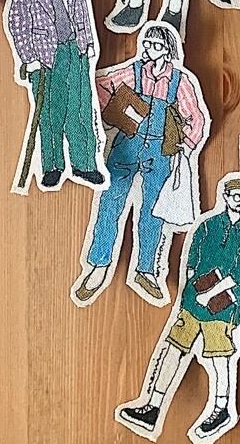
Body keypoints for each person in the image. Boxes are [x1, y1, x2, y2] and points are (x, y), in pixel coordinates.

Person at [117, 175, 240, 444]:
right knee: (173, 349)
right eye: (237, 197)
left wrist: (210, 294)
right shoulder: (207, 225)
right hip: (191, 303)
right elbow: (191, 261)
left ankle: (221, 408)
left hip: (223, 309)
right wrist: (192, 292)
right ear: (226, 196)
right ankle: (153, 406)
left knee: (220, 357)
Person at [73, 22, 209, 306]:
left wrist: (185, 143)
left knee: (153, 212)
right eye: (147, 44)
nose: (150, 49)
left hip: (160, 152)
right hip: (127, 145)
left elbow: (196, 118)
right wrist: (108, 114)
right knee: (110, 203)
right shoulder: (134, 71)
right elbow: (101, 85)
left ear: (168, 50)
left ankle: (146, 270)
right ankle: (98, 266)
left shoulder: (179, 81)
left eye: (156, 45)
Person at [5, 0, 104, 191]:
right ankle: (52, 166)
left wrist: (87, 40)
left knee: (80, 107)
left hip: (75, 49)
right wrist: (29, 58)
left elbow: (81, 7)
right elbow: (17, 20)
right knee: (49, 111)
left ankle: (85, 164)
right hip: (44, 55)